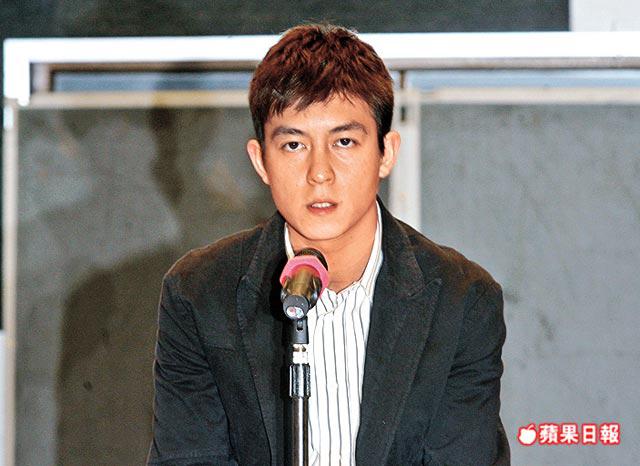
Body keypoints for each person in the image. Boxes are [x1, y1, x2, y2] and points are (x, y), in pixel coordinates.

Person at [148, 23, 509, 466]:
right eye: (293, 145)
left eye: (344, 141)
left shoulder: (461, 299)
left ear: (386, 153)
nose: (320, 172)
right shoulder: (200, 293)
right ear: (261, 161)